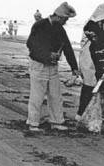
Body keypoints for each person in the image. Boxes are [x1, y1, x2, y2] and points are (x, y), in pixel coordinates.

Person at [25, 2, 80, 131]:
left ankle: (56, 121)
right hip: (39, 65)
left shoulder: (59, 28)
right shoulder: (39, 25)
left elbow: (67, 47)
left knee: (55, 95)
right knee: (37, 96)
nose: (66, 22)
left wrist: (74, 67)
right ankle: (33, 123)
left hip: (52, 66)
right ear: (60, 17)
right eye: (66, 19)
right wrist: (48, 55)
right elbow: (31, 45)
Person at [76, 4, 104, 121]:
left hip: (92, 60)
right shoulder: (91, 26)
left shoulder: (91, 25)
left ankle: (87, 114)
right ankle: (81, 114)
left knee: (94, 87)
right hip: (89, 60)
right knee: (89, 87)